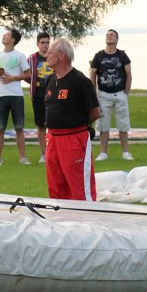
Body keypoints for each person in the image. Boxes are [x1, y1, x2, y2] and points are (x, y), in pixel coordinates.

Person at [42, 38, 100, 200]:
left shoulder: (79, 81)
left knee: (79, 185)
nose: (46, 55)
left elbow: (95, 112)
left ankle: (87, 219)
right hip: (53, 139)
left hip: (74, 138)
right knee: (56, 185)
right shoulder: (51, 80)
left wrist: (78, 126)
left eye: (50, 52)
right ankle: (61, 220)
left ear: (61, 55)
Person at [0, 27, 31, 166]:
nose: (4, 36)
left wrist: (13, 78)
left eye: (6, 35)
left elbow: (28, 74)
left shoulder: (19, 56)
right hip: (2, 96)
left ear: (12, 40)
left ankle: (23, 157)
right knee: (0, 128)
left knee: (19, 127)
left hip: (16, 96)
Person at [89, 29, 133, 161]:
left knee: (123, 124)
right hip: (103, 95)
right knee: (103, 125)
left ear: (117, 39)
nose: (109, 36)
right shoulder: (99, 56)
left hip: (120, 94)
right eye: (107, 35)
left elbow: (128, 74)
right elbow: (92, 75)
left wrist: (126, 92)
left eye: (112, 35)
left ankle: (126, 152)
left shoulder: (122, 56)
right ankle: (103, 153)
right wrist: (94, 93)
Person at [28, 32, 52, 164]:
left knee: (52, 123)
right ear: (38, 44)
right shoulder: (32, 58)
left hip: (52, 93)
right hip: (38, 94)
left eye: (47, 43)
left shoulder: (53, 56)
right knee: (41, 124)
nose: (45, 45)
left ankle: (53, 150)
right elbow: (27, 75)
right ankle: (44, 152)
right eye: (43, 43)